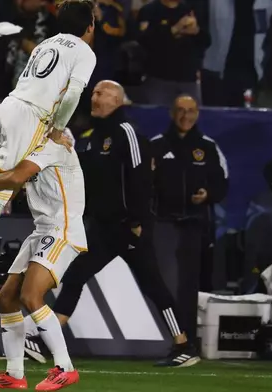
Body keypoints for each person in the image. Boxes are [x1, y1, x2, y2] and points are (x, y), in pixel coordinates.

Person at [28, 80, 200, 368]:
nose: (94, 97)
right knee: (76, 276)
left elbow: (141, 177)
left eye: (101, 93)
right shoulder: (91, 136)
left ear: (117, 101)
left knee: (151, 284)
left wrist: (136, 221)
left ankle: (184, 345)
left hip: (128, 227)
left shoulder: (127, 133)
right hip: (105, 227)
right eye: (93, 93)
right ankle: (46, 340)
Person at [0, 0, 97, 294]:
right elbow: (72, 94)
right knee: (1, 189)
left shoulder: (45, 43)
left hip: (7, 106)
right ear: (90, 26)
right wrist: (58, 128)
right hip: (31, 115)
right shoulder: (85, 52)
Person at [0, 128, 83, 391]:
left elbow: (17, 177)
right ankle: (14, 374)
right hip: (42, 231)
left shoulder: (56, 146)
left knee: (31, 296)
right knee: (7, 297)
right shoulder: (33, 150)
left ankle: (65, 367)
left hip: (62, 230)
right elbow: (13, 182)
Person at [151, 94, 228, 339]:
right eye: (181, 110)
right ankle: (161, 335)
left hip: (197, 227)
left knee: (192, 285)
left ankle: (192, 337)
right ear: (172, 113)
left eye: (191, 111)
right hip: (162, 228)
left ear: (198, 113)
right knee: (162, 281)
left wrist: (207, 195)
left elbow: (222, 184)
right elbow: (143, 184)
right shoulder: (156, 145)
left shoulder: (208, 147)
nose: (186, 116)